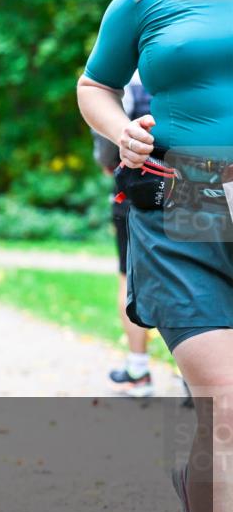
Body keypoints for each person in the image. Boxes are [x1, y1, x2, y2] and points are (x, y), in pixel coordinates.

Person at [77, 0, 232, 512]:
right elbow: (94, 86)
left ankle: (202, 503)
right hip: (181, 205)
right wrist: (122, 133)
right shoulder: (145, 2)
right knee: (224, 406)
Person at [92, 72, 156, 397]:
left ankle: (138, 370)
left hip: (137, 191)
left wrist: (109, 163)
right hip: (199, 188)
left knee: (130, 279)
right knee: (202, 280)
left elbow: (106, 140)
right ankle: (194, 378)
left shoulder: (127, 74)